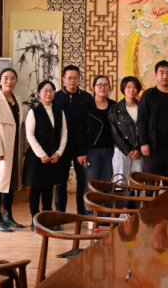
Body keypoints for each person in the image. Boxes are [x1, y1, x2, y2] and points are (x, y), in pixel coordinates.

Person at [22, 80, 68, 231]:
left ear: (54, 93)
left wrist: (59, 152)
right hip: (37, 157)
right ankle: (35, 221)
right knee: (36, 190)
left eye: (51, 91)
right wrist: (41, 154)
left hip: (53, 156)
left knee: (49, 189)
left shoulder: (59, 111)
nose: (48, 93)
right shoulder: (34, 112)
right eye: (45, 91)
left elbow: (64, 133)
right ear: (39, 93)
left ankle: (47, 220)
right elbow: (29, 134)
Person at [0, 68, 26, 232]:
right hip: (0, 149)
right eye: (6, 78)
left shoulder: (18, 100)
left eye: (13, 78)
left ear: (16, 81)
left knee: (11, 184)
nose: (9, 81)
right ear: (0, 81)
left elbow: (21, 126)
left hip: (15, 148)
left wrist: (23, 147)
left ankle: (8, 217)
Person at [53, 65, 93, 215]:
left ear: (79, 79)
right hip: (61, 146)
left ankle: (81, 213)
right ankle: (60, 213)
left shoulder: (87, 97)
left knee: (82, 180)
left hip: (80, 146)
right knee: (60, 181)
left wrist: (85, 147)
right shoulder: (56, 97)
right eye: (69, 78)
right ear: (63, 79)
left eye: (75, 78)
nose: (72, 81)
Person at [76, 75, 116, 214]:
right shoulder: (85, 106)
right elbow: (79, 130)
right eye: (99, 85)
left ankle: (104, 216)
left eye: (105, 85)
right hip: (91, 151)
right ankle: (90, 215)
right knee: (91, 184)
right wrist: (81, 152)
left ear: (109, 88)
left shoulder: (114, 106)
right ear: (93, 88)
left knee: (107, 184)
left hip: (110, 151)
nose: (102, 88)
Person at [138, 60, 168, 180]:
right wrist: (144, 143)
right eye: (161, 73)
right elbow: (142, 120)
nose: (165, 76)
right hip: (152, 150)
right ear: (155, 75)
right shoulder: (148, 95)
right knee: (150, 185)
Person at [109, 76, 143, 180]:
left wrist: (138, 149)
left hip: (139, 152)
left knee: (137, 182)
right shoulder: (115, 109)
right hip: (121, 151)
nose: (131, 90)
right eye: (128, 87)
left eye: (134, 87)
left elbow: (147, 130)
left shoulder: (143, 108)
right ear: (123, 89)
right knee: (120, 182)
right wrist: (127, 150)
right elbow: (114, 133)